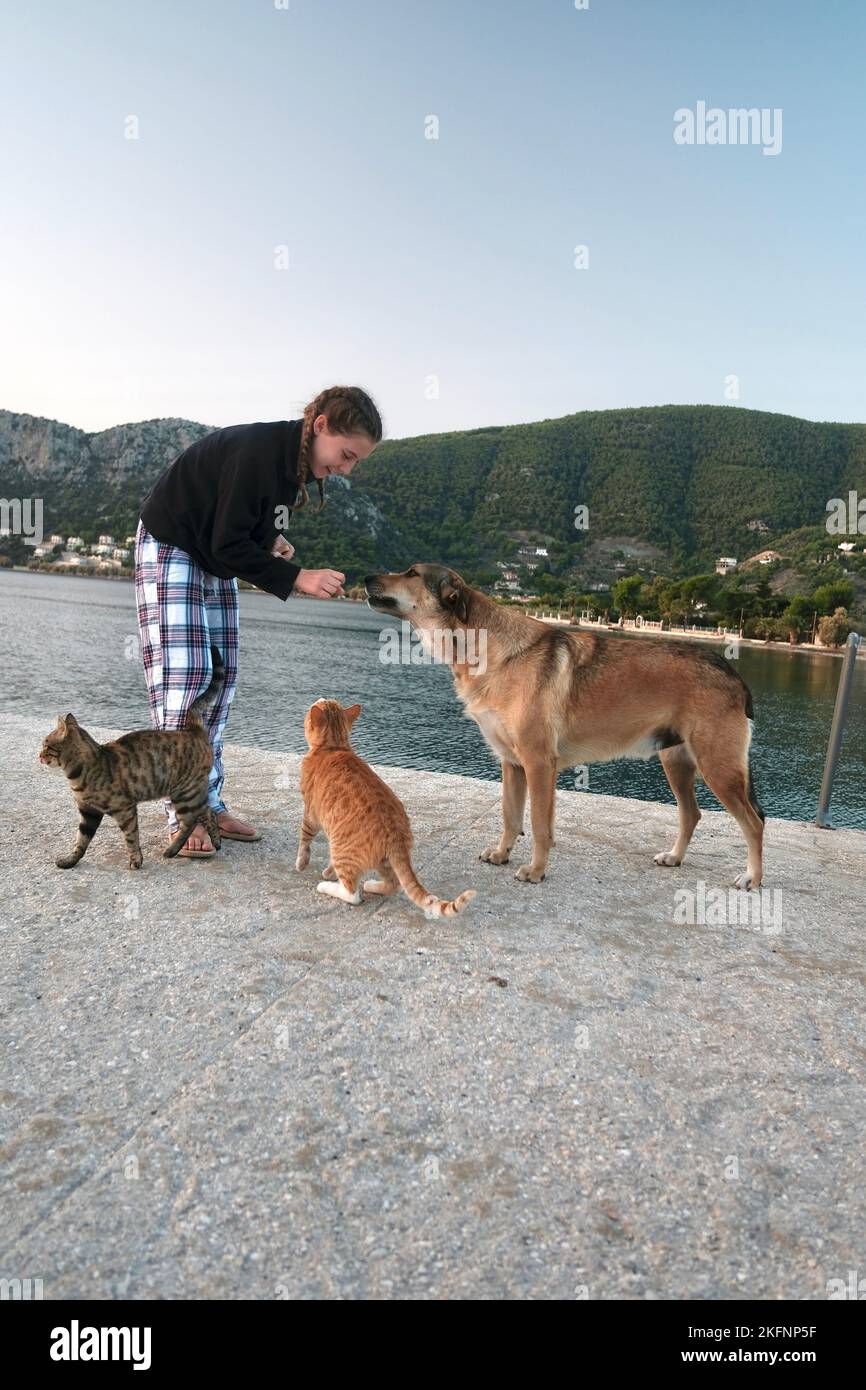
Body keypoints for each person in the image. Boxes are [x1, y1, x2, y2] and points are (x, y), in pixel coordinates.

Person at [134, 384, 382, 857]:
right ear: (322, 425)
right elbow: (228, 542)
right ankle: (184, 814)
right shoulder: (258, 451)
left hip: (211, 556)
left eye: (355, 462)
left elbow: (236, 530)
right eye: (346, 455)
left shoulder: (293, 469)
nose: (346, 469)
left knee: (220, 678)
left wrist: (270, 543)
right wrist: (298, 577)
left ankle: (207, 800)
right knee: (185, 676)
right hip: (171, 544)